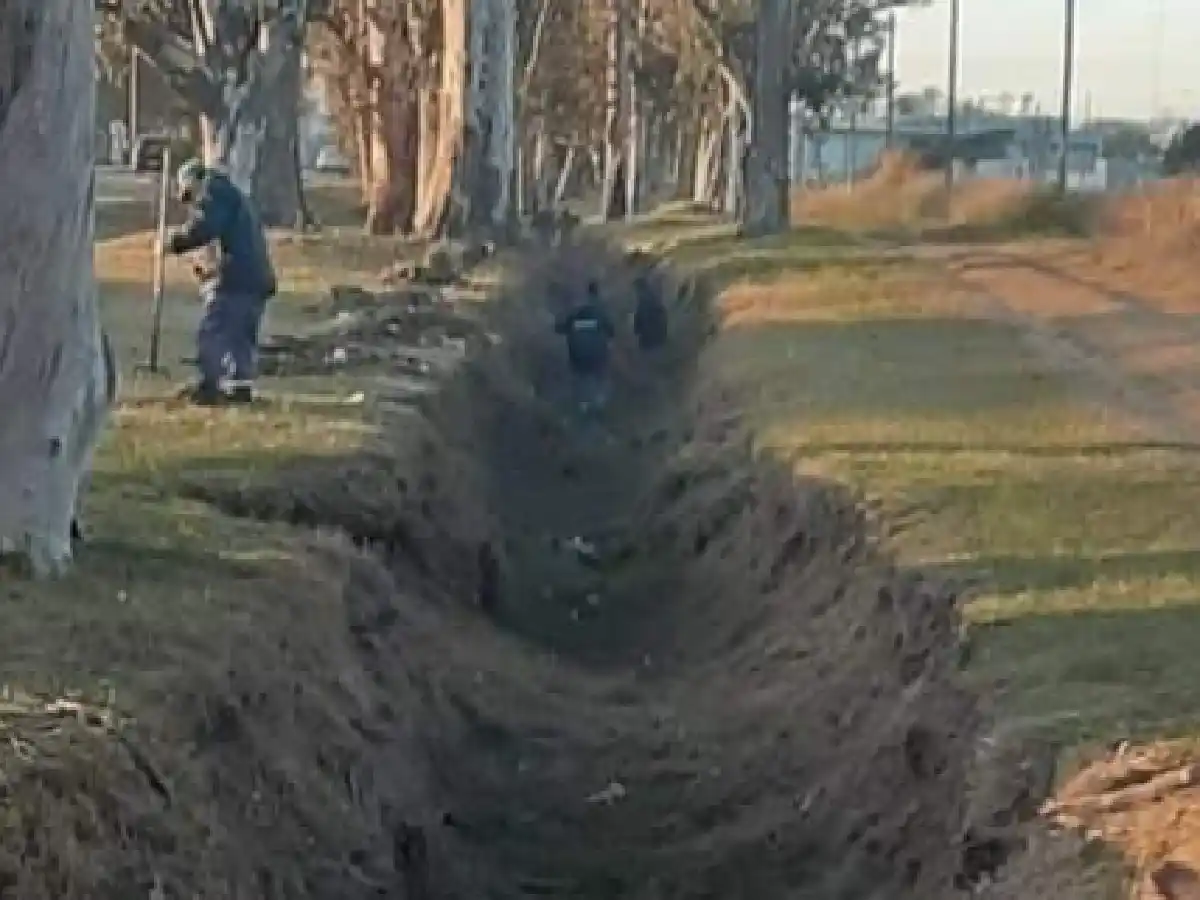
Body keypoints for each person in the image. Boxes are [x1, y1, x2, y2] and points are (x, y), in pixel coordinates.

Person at [165, 158, 277, 405]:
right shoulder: (234, 197)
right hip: (255, 277)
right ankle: (241, 387)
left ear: (194, 182)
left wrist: (176, 242)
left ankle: (210, 385)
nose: (192, 204)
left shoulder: (215, 191)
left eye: (189, 195)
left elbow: (206, 226)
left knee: (213, 330)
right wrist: (208, 271)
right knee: (241, 336)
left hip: (237, 278)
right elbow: (230, 238)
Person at [554, 280, 615, 415]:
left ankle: (583, 405)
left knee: (580, 378)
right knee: (600, 375)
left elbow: (559, 328)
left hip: (577, 356)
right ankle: (599, 402)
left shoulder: (575, 314)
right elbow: (612, 332)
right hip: (598, 355)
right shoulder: (601, 313)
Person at [632, 271, 668, 351]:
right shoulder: (654, 297)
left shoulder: (643, 301)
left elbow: (640, 319)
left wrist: (636, 330)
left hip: (650, 338)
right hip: (660, 337)